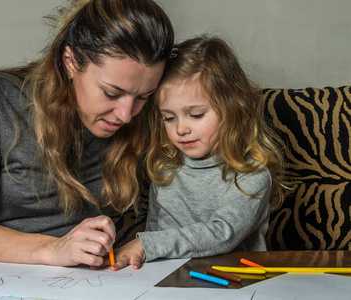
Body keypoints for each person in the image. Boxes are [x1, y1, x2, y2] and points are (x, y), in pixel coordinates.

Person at [0, 0, 174, 268]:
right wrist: (54, 250)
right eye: (111, 93)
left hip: (109, 277)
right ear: (71, 62)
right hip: (7, 275)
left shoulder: (155, 112)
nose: (126, 114)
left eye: (143, 97)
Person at [111, 34, 288, 271]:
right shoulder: (165, 166)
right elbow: (155, 230)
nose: (182, 129)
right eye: (169, 117)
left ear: (232, 108)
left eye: (196, 115)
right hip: (166, 279)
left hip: (233, 281)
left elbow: (222, 234)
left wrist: (147, 245)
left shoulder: (252, 176)